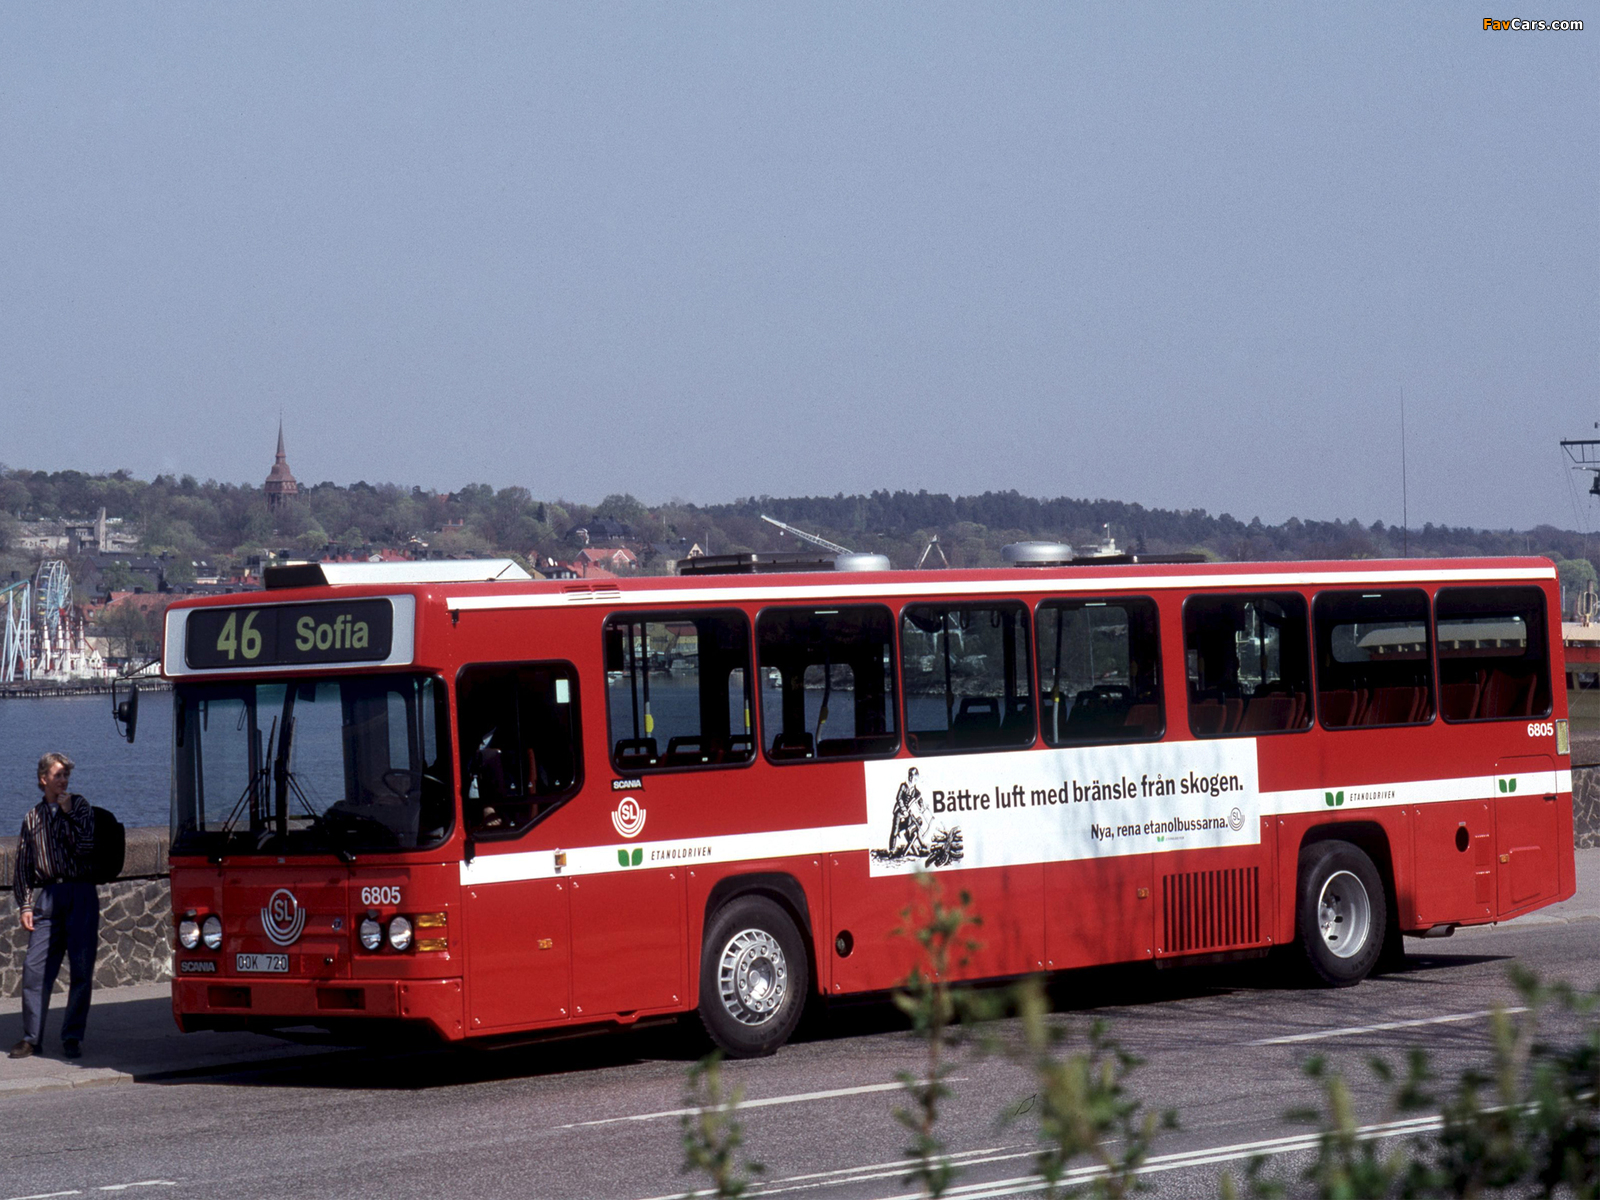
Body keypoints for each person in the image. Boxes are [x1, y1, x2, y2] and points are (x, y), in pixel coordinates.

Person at [10, 752, 97, 1060]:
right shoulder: (32, 817)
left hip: (80, 892)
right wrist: (25, 905)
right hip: (48, 896)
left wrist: (68, 813)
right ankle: (31, 1038)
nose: (63, 780)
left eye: (66, 775)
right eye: (58, 775)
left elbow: (86, 848)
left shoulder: (80, 806)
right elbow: (23, 865)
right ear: (43, 778)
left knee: (81, 968)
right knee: (34, 968)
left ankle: (72, 1036)